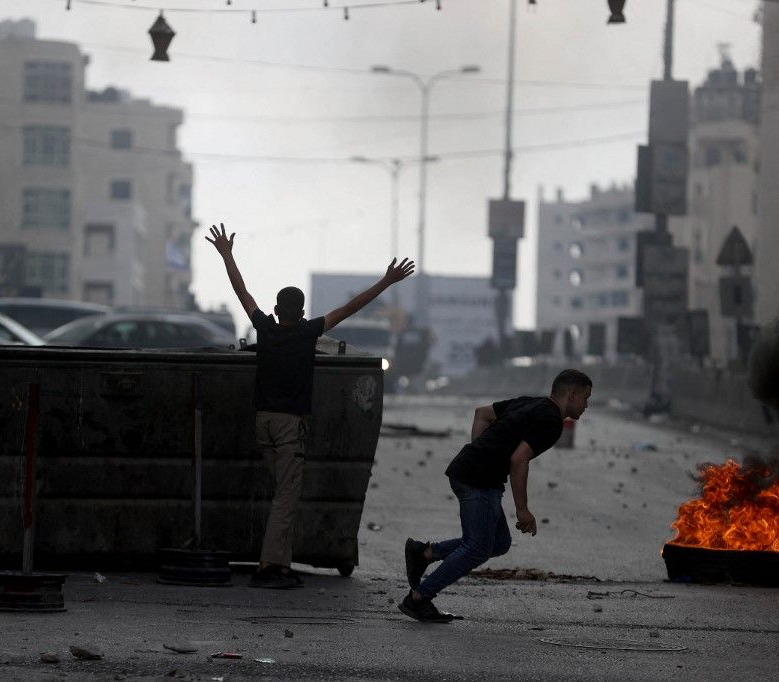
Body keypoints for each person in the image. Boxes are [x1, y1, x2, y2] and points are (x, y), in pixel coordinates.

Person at [206, 223, 415, 589]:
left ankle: (282, 565)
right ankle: (268, 568)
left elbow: (242, 291)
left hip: (263, 423)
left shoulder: (264, 329)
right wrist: (386, 282)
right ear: (302, 313)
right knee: (286, 498)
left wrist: (227, 254)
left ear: (275, 310)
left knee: (282, 494)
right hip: (288, 428)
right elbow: (350, 308)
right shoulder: (308, 333)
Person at [399, 369, 593, 622]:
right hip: (476, 479)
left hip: (474, 474)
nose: (587, 405)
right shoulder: (551, 420)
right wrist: (522, 509)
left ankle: (424, 553)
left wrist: (481, 452)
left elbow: (482, 413)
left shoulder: (531, 402)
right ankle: (419, 598)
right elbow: (519, 460)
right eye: (586, 398)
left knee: (498, 543)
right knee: (477, 548)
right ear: (572, 395)